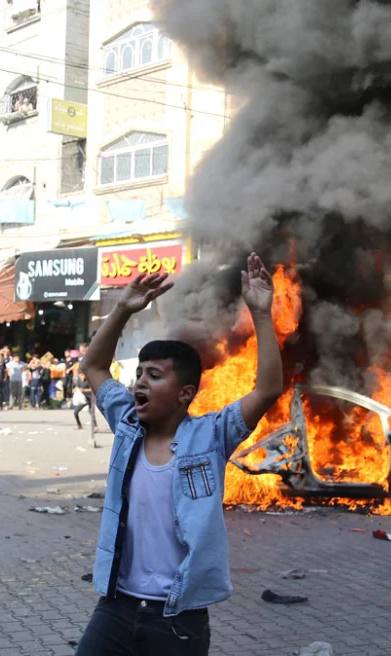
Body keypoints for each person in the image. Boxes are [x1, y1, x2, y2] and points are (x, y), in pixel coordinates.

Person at [74, 254, 282, 656]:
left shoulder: (211, 436)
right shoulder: (128, 425)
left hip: (177, 618)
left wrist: (261, 314)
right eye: (139, 374)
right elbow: (95, 366)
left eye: (155, 375)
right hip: (116, 607)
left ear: (185, 393)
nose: (140, 383)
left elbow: (268, 388)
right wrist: (121, 310)